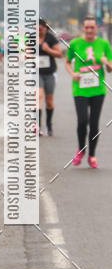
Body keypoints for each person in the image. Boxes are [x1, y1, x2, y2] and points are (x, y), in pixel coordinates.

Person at [65, 15, 112, 167]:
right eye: (87, 27)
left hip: (98, 89)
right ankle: (81, 149)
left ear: (96, 28)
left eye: (92, 27)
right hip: (80, 89)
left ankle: (92, 155)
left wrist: (106, 62)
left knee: (94, 123)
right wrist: (73, 74)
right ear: (83, 28)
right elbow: (67, 62)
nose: (90, 30)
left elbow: (110, 68)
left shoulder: (104, 44)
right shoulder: (75, 43)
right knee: (82, 121)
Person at [38, 18, 62, 136]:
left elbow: (59, 54)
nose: (38, 32)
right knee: (38, 96)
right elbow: (24, 50)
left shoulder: (51, 38)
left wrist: (48, 50)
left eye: (40, 29)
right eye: (35, 29)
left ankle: (48, 124)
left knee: (49, 102)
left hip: (50, 73)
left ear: (45, 28)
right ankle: (37, 126)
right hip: (36, 73)